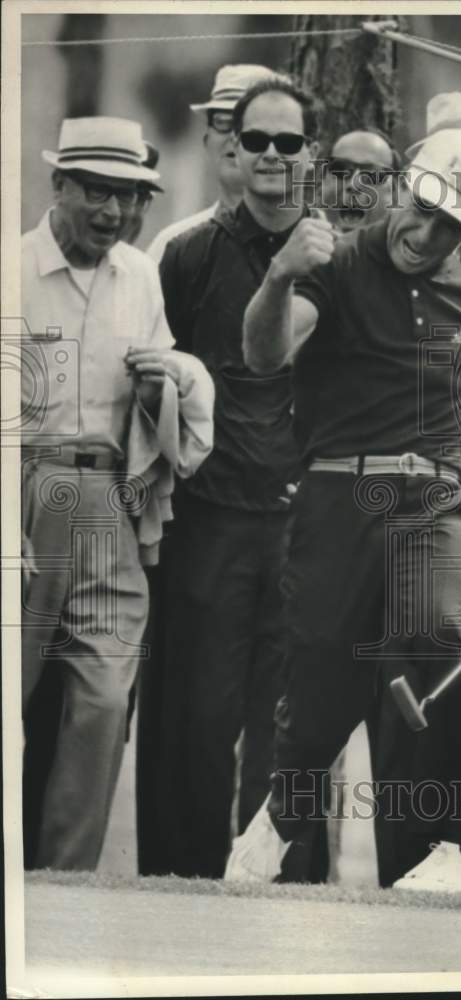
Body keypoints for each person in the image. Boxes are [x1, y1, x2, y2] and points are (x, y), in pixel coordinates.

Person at [232, 129, 461, 892]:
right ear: (401, 189)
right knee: (323, 675)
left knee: (440, 629)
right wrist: (281, 277)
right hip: (335, 494)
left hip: (436, 497)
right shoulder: (338, 263)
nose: (427, 235)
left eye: (452, 226)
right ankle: (280, 820)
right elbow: (264, 355)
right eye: (423, 210)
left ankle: (459, 850)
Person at [20, 116, 212, 870]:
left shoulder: (137, 273)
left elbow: (169, 380)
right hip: (28, 497)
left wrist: (170, 380)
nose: (111, 211)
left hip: (112, 501)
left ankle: (65, 881)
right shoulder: (12, 269)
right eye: (95, 192)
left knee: (103, 700)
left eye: (126, 195)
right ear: (57, 184)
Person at [142, 77, 320, 879]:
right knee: (198, 719)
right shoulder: (187, 254)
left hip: (304, 521)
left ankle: (278, 889)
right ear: (232, 149)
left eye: (290, 142)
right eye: (259, 141)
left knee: (289, 725)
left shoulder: (336, 257)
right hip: (208, 518)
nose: (274, 156)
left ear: (310, 152)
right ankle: (181, 887)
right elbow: (152, 380)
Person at [146, 64, 285, 263]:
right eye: (223, 123)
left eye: (250, 125)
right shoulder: (173, 246)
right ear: (207, 141)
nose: (235, 138)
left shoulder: (306, 241)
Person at [320, 127, 400, 234]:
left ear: (394, 194)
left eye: (372, 175)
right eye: (340, 170)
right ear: (321, 183)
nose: (354, 185)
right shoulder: (293, 246)